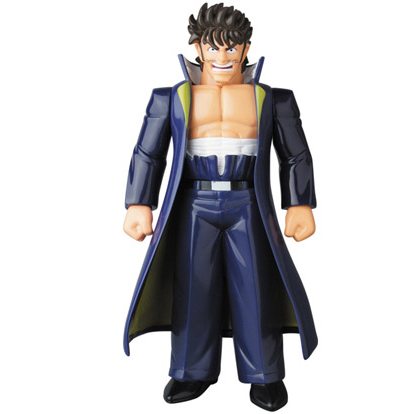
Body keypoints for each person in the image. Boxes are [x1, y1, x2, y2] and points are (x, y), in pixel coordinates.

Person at [122, 3, 318, 411]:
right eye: (214, 47)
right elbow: (148, 153)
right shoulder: (170, 98)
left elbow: (295, 154)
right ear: (197, 48)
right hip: (194, 203)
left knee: (256, 287)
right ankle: (190, 370)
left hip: (249, 203)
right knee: (193, 286)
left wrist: (299, 203)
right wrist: (139, 202)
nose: (223, 56)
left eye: (232, 47)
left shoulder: (272, 99)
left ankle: (264, 373)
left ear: (246, 49)